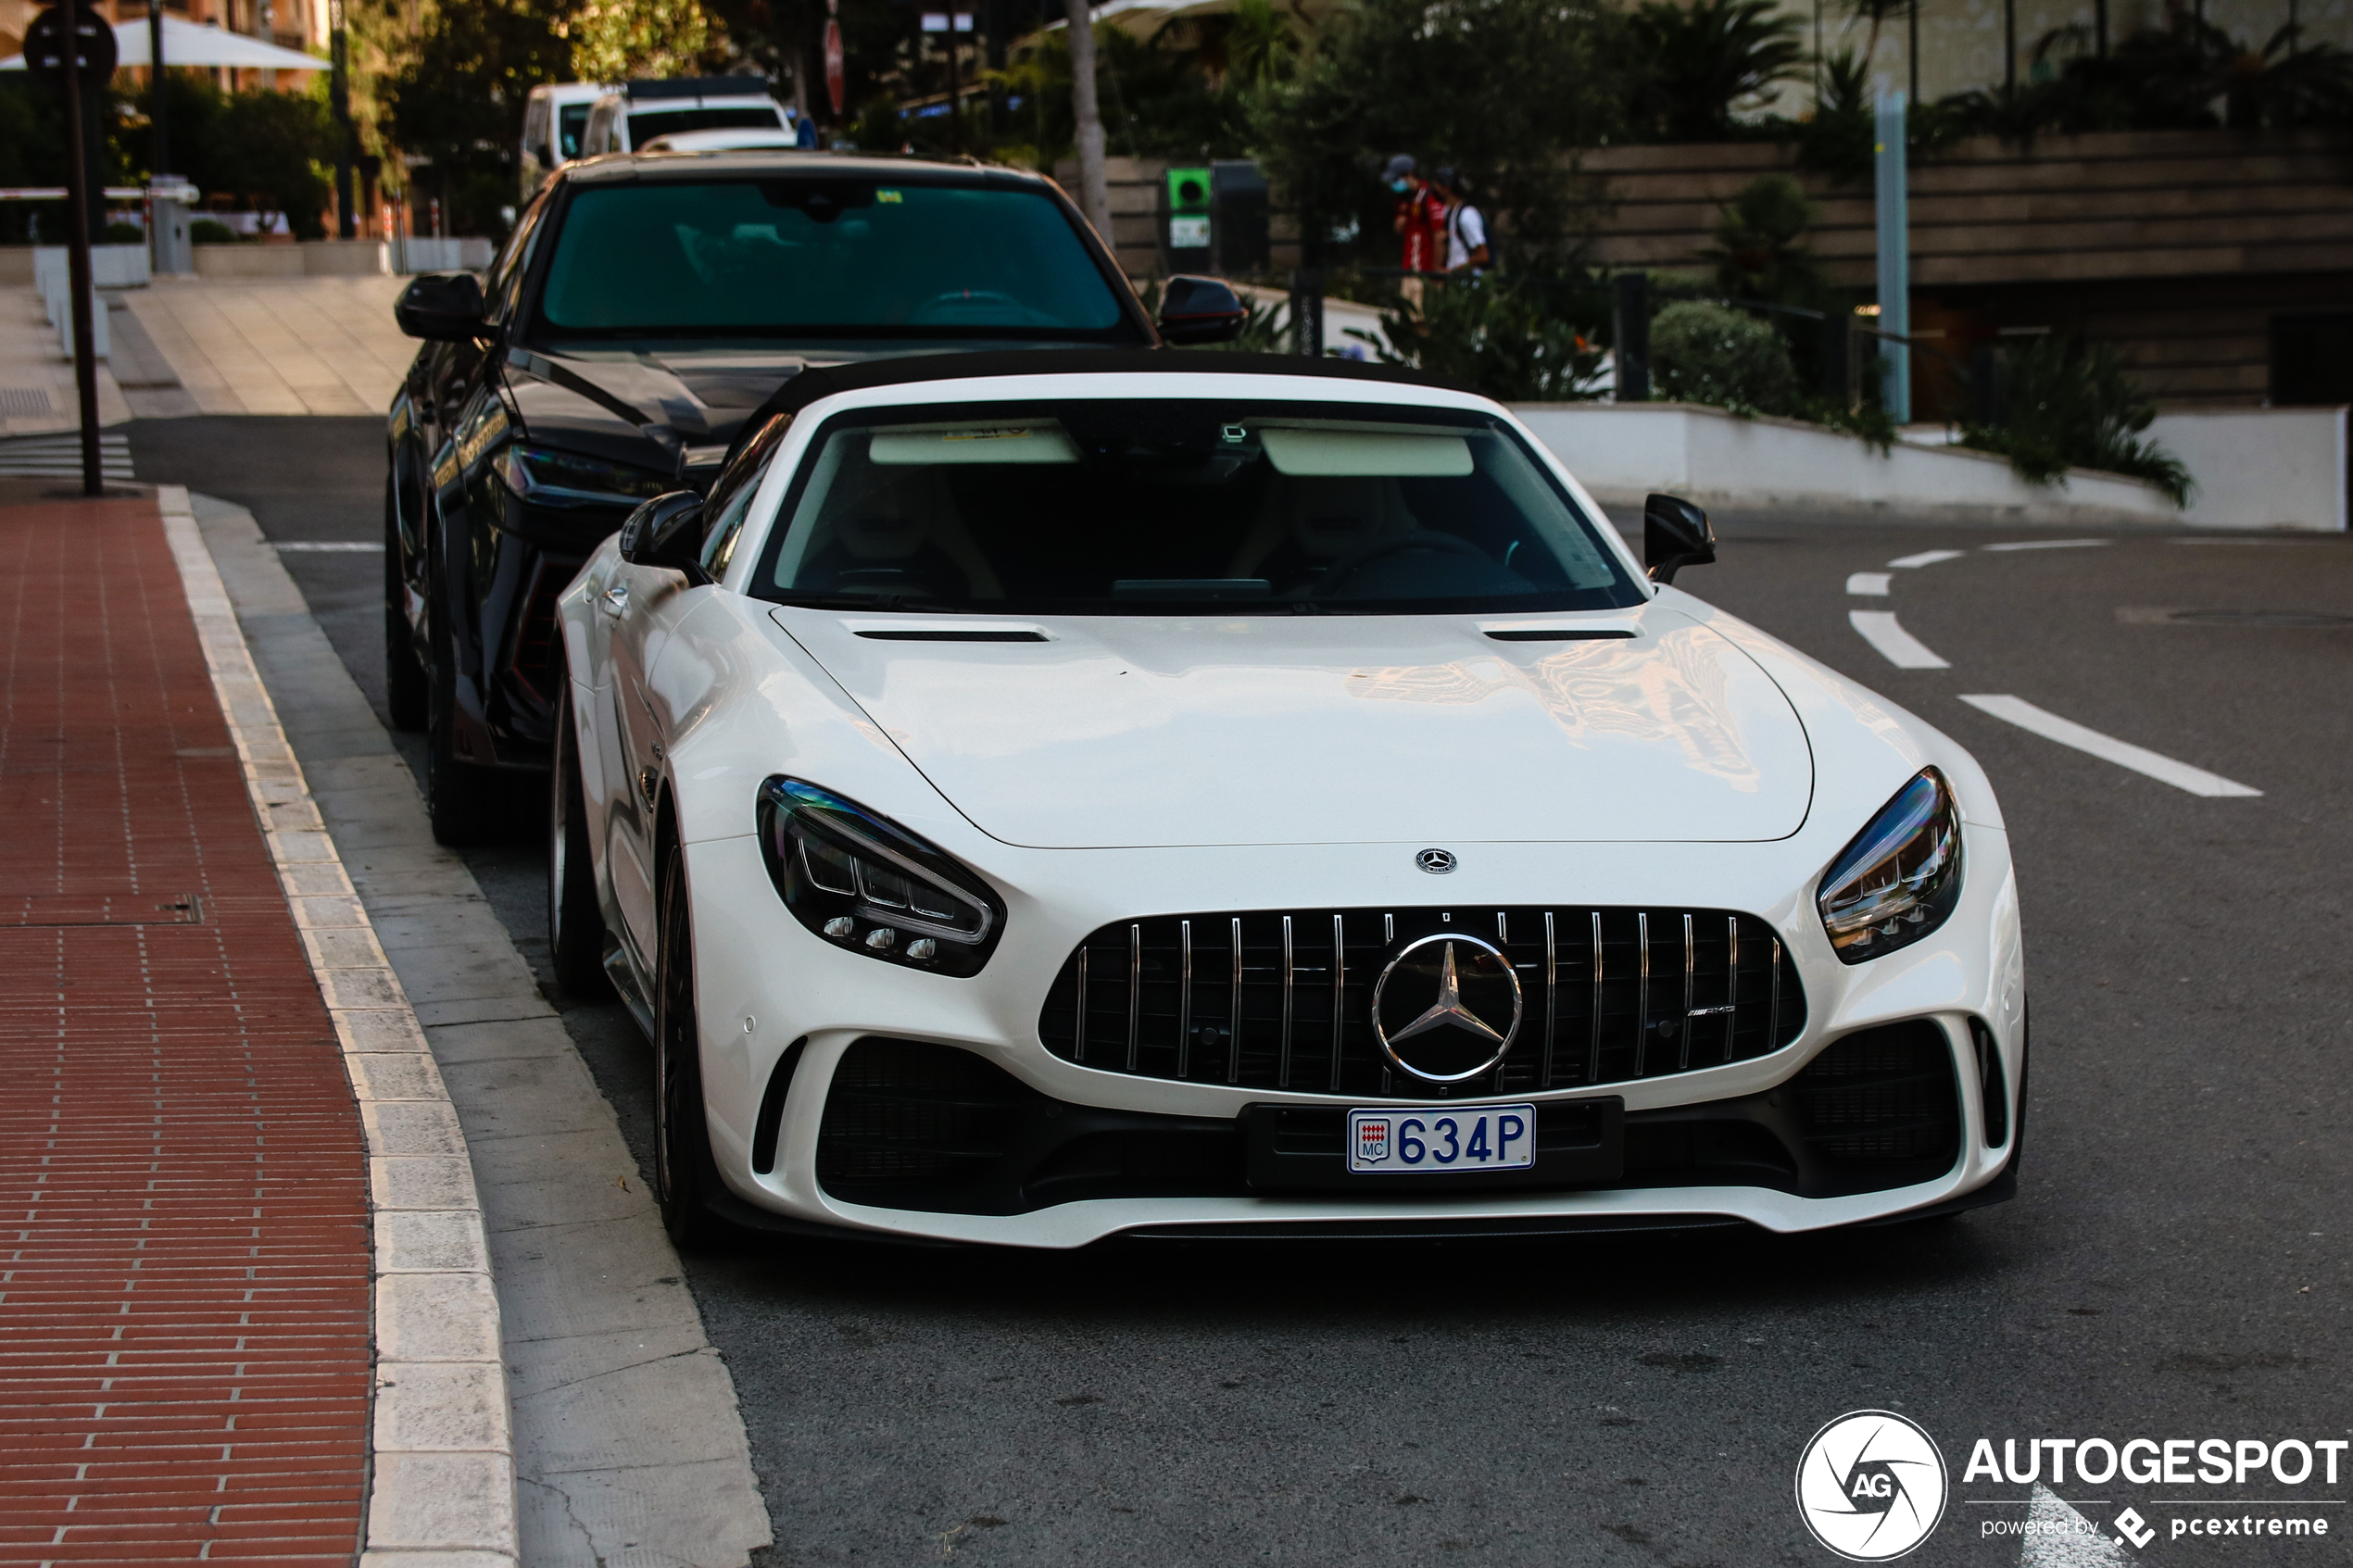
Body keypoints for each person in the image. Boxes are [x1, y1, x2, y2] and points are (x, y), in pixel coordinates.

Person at [1384, 154, 1445, 309]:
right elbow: (1399, 229)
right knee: (1407, 317)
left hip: (1425, 271)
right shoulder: (1403, 198)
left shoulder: (1428, 197)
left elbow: (1439, 235)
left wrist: (1436, 270)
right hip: (1408, 269)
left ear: (1409, 174)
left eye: (1397, 179)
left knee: (1421, 319)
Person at [1431, 168, 1491, 275]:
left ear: (1446, 188)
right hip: (1456, 283)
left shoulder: (1466, 215)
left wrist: (1455, 271)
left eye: (1438, 185)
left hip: (1468, 283)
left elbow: (1483, 256)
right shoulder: (1449, 213)